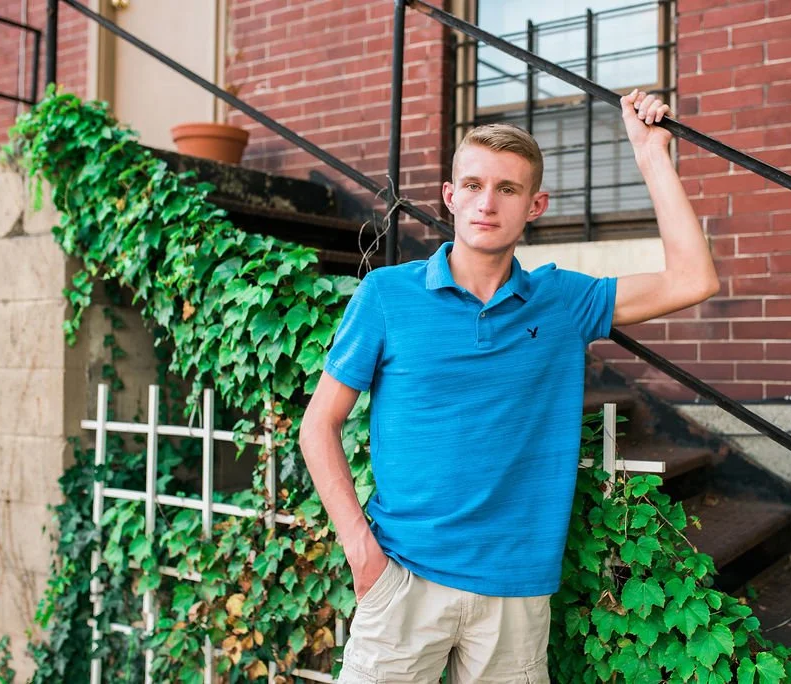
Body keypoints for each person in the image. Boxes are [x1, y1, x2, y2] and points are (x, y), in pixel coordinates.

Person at [299, 89, 719, 683]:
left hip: (514, 593)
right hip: (403, 577)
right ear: (449, 197)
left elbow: (693, 278)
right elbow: (318, 426)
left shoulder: (565, 301)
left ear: (535, 205)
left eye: (507, 189)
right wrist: (361, 552)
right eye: (472, 185)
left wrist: (651, 155)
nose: (486, 203)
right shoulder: (388, 296)